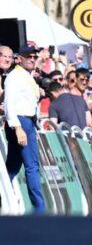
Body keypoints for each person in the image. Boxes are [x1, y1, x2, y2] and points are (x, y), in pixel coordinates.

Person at [3, 43, 46, 213]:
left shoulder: (26, 76)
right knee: (32, 166)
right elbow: (9, 104)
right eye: (28, 56)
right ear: (19, 59)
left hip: (25, 122)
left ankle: (2, 199)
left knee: (13, 166)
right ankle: (39, 208)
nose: (32, 59)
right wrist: (18, 127)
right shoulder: (14, 77)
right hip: (21, 122)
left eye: (35, 57)